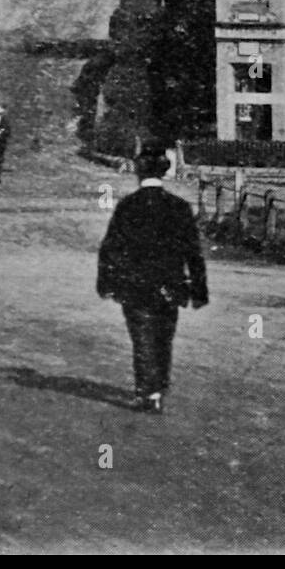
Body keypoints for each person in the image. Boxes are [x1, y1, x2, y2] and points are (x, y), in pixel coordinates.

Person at [97, 138, 209, 413]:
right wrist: (199, 290)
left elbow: (110, 248)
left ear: (139, 171)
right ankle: (159, 385)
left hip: (134, 285)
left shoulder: (128, 206)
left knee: (142, 337)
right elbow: (193, 252)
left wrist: (106, 282)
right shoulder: (179, 207)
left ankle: (149, 391)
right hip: (170, 284)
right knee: (163, 337)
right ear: (164, 171)